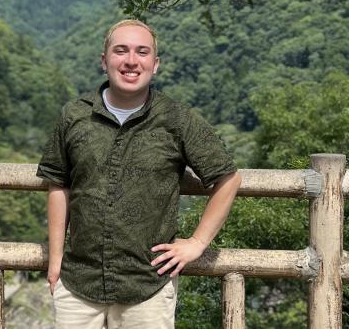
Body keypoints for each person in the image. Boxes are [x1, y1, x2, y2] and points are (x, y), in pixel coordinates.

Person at [37, 19, 241, 328]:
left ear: (155, 64)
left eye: (142, 52)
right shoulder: (74, 115)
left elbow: (228, 178)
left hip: (148, 285)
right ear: (104, 60)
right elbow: (58, 185)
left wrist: (197, 242)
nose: (131, 61)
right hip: (78, 282)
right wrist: (55, 261)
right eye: (121, 51)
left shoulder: (176, 119)